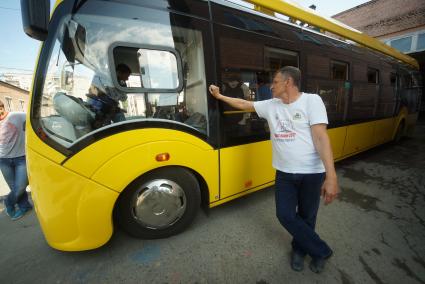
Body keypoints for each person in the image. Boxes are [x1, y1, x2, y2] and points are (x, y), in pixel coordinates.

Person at [209, 66, 339, 273]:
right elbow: (244, 103)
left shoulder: (311, 101)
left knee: (307, 215)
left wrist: (331, 176)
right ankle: (321, 250)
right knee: (285, 215)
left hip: (312, 173)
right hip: (285, 173)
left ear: (288, 82)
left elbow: (321, 138)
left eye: (276, 82)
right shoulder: (271, 105)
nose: (271, 86)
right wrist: (219, 96)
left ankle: (300, 250)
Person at [0, 100, 32, 220]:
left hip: (21, 158)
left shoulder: (16, 116)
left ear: (2, 107)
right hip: (3, 161)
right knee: (14, 187)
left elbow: (34, 119)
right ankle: (24, 207)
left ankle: (8, 202)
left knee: (20, 187)